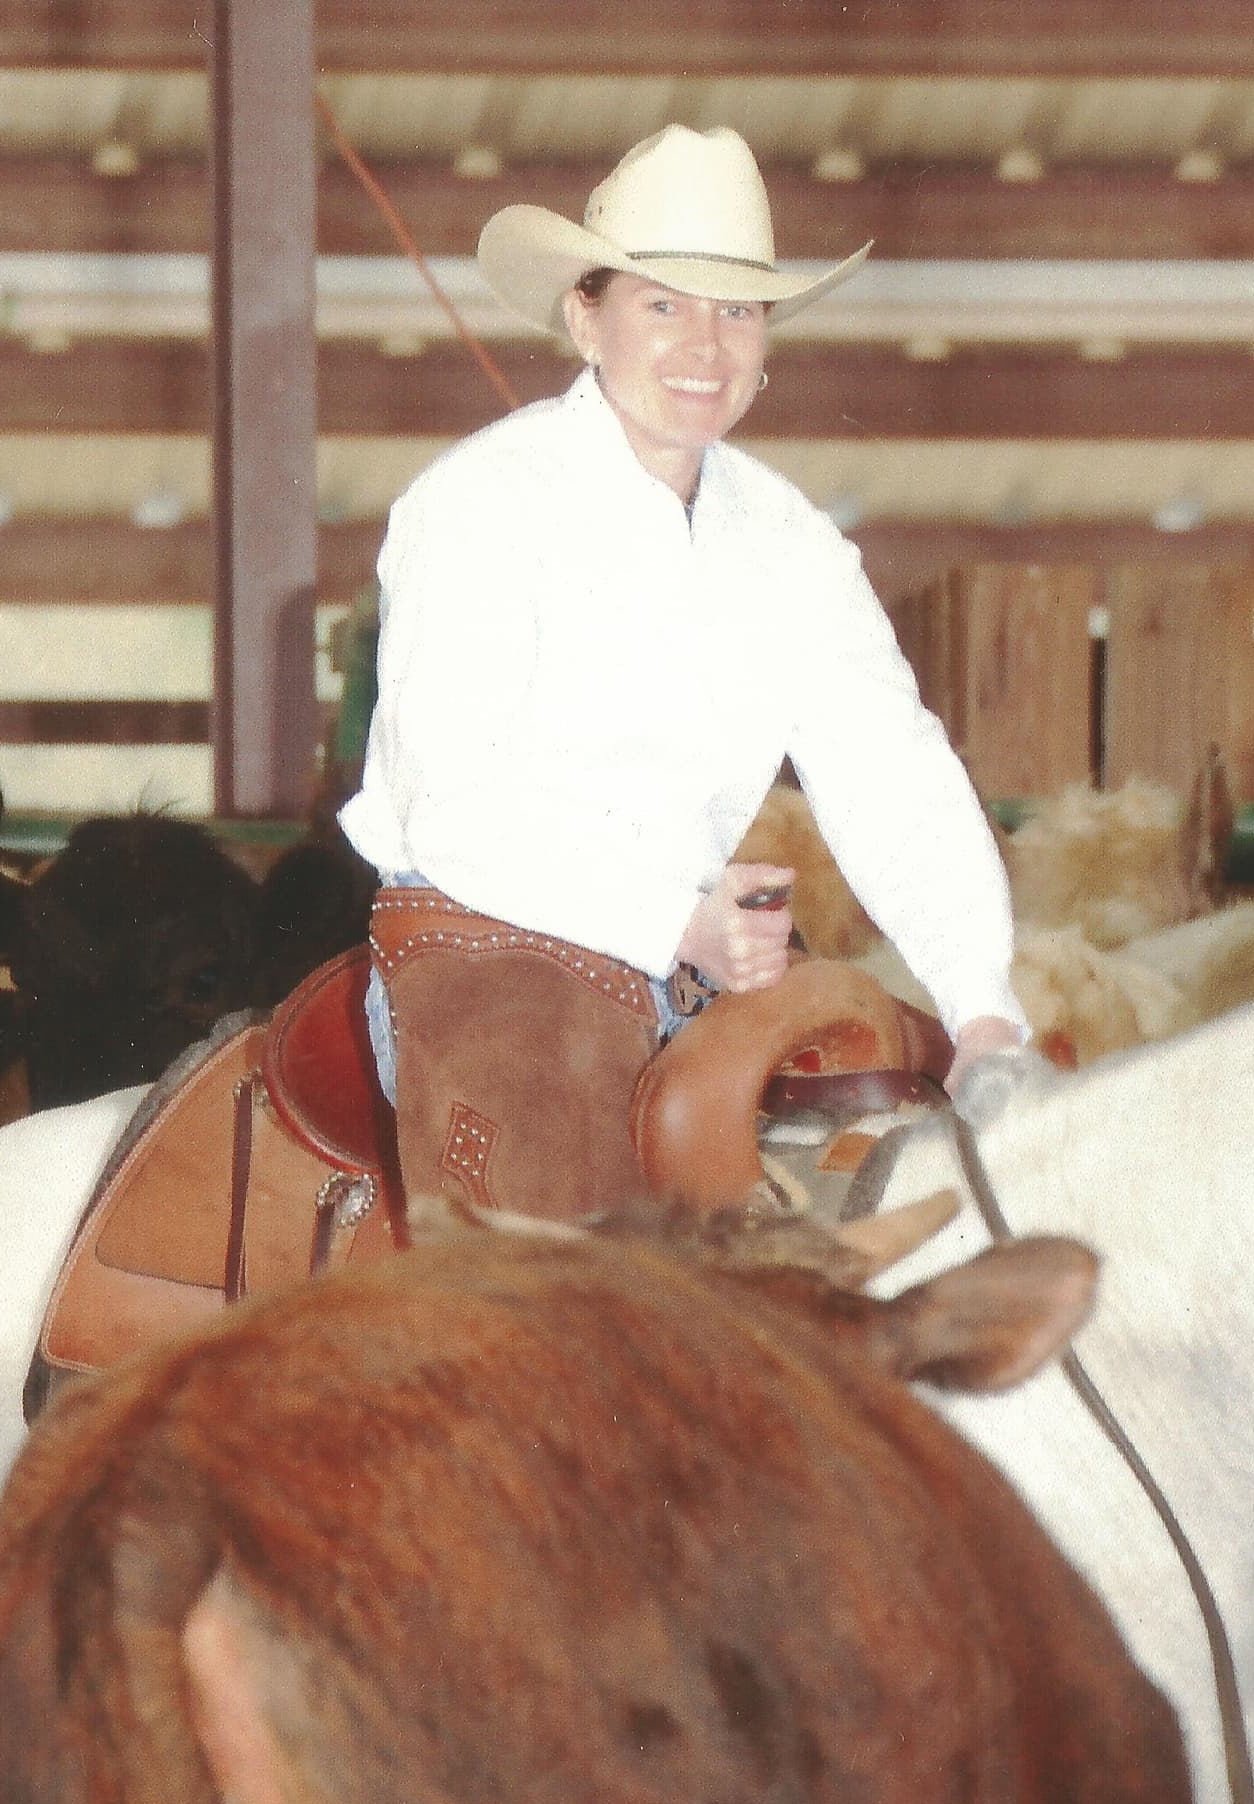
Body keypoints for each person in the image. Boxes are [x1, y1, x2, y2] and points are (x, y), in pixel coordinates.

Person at [338, 122, 1033, 1222]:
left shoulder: (792, 540)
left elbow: (890, 768)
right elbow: (452, 806)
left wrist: (983, 1005)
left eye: (738, 310)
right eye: (664, 303)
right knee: (571, 1282)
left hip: (701, 950)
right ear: (586, 315)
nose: (706, 346)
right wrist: (677, 919)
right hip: (488, 936)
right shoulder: (476, 505)